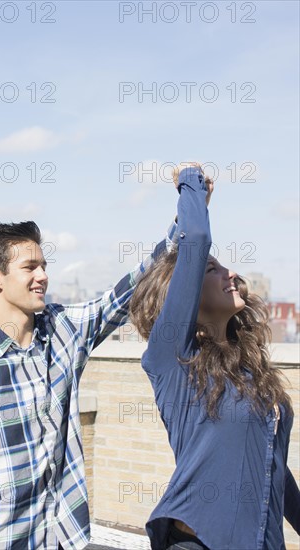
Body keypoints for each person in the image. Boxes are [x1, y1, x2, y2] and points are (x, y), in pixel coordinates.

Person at [0, 217, 178, 550]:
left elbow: (125, 293)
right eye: (30, 267)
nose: (43, 276)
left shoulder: (63, 331)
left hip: (61, 540)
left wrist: (184, 222)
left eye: (43, 266)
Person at [130, 163, 300, 550]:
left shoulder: (247, 368)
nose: (231, 274)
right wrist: (191, 183)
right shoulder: (172, 359)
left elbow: (270, 459)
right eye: (211, 268)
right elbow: (197, 239)